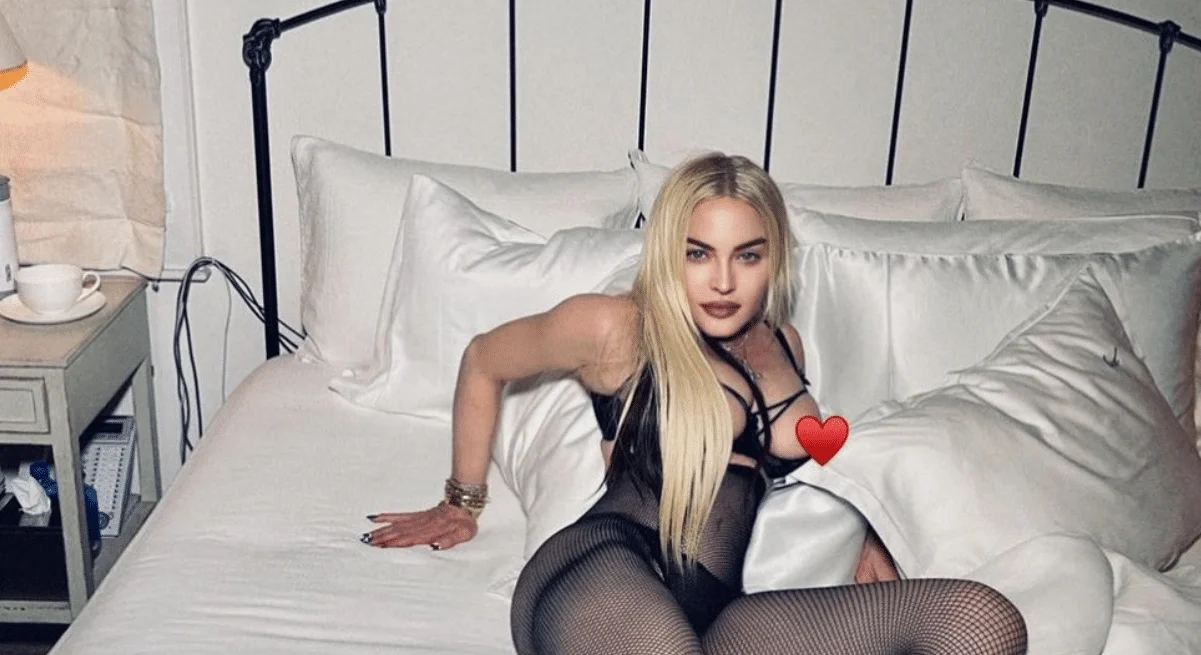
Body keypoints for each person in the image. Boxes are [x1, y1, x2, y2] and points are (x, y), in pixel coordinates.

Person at [362, 153, 1028, 654]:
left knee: (981, 621)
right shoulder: (616, 327)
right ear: (667, 252)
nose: (723, 280)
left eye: (747, 256)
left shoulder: (784, 343)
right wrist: (461, 501)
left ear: (774, 258)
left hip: (718, 612)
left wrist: (866, 532)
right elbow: (483, 358)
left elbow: (820, 457)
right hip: (601, 574)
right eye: (698, 253)